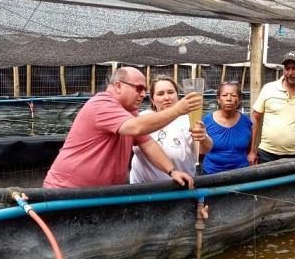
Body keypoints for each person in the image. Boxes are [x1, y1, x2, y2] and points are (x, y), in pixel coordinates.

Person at [43, 67, 201, 189]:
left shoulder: (131, 112)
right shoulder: (102, 104)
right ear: (118, 86)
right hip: (67, 191)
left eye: (145, 90)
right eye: (138, 88)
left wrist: (172, 171)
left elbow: (148, 143)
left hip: (103, 194)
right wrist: (178, 109)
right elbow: (136, 128)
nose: (142, 94)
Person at [130, 75, 213, 183]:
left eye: (170, 92)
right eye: (160, 94)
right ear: (152, 100)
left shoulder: (188, 120)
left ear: (177, 96)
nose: (166, 97)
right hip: (143, 191)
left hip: (179, 189)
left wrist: (202, 138)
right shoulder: (141, 118)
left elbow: (204, 149)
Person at [202, 82, 252, 174]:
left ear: (239, 99)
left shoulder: (246, 121)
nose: (229, 99)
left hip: (241, 173)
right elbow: (200, 150)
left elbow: (250, 147)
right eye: (224, 95)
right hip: (211, 174)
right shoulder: (207, 121)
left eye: (233, 95)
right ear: (218, 99)